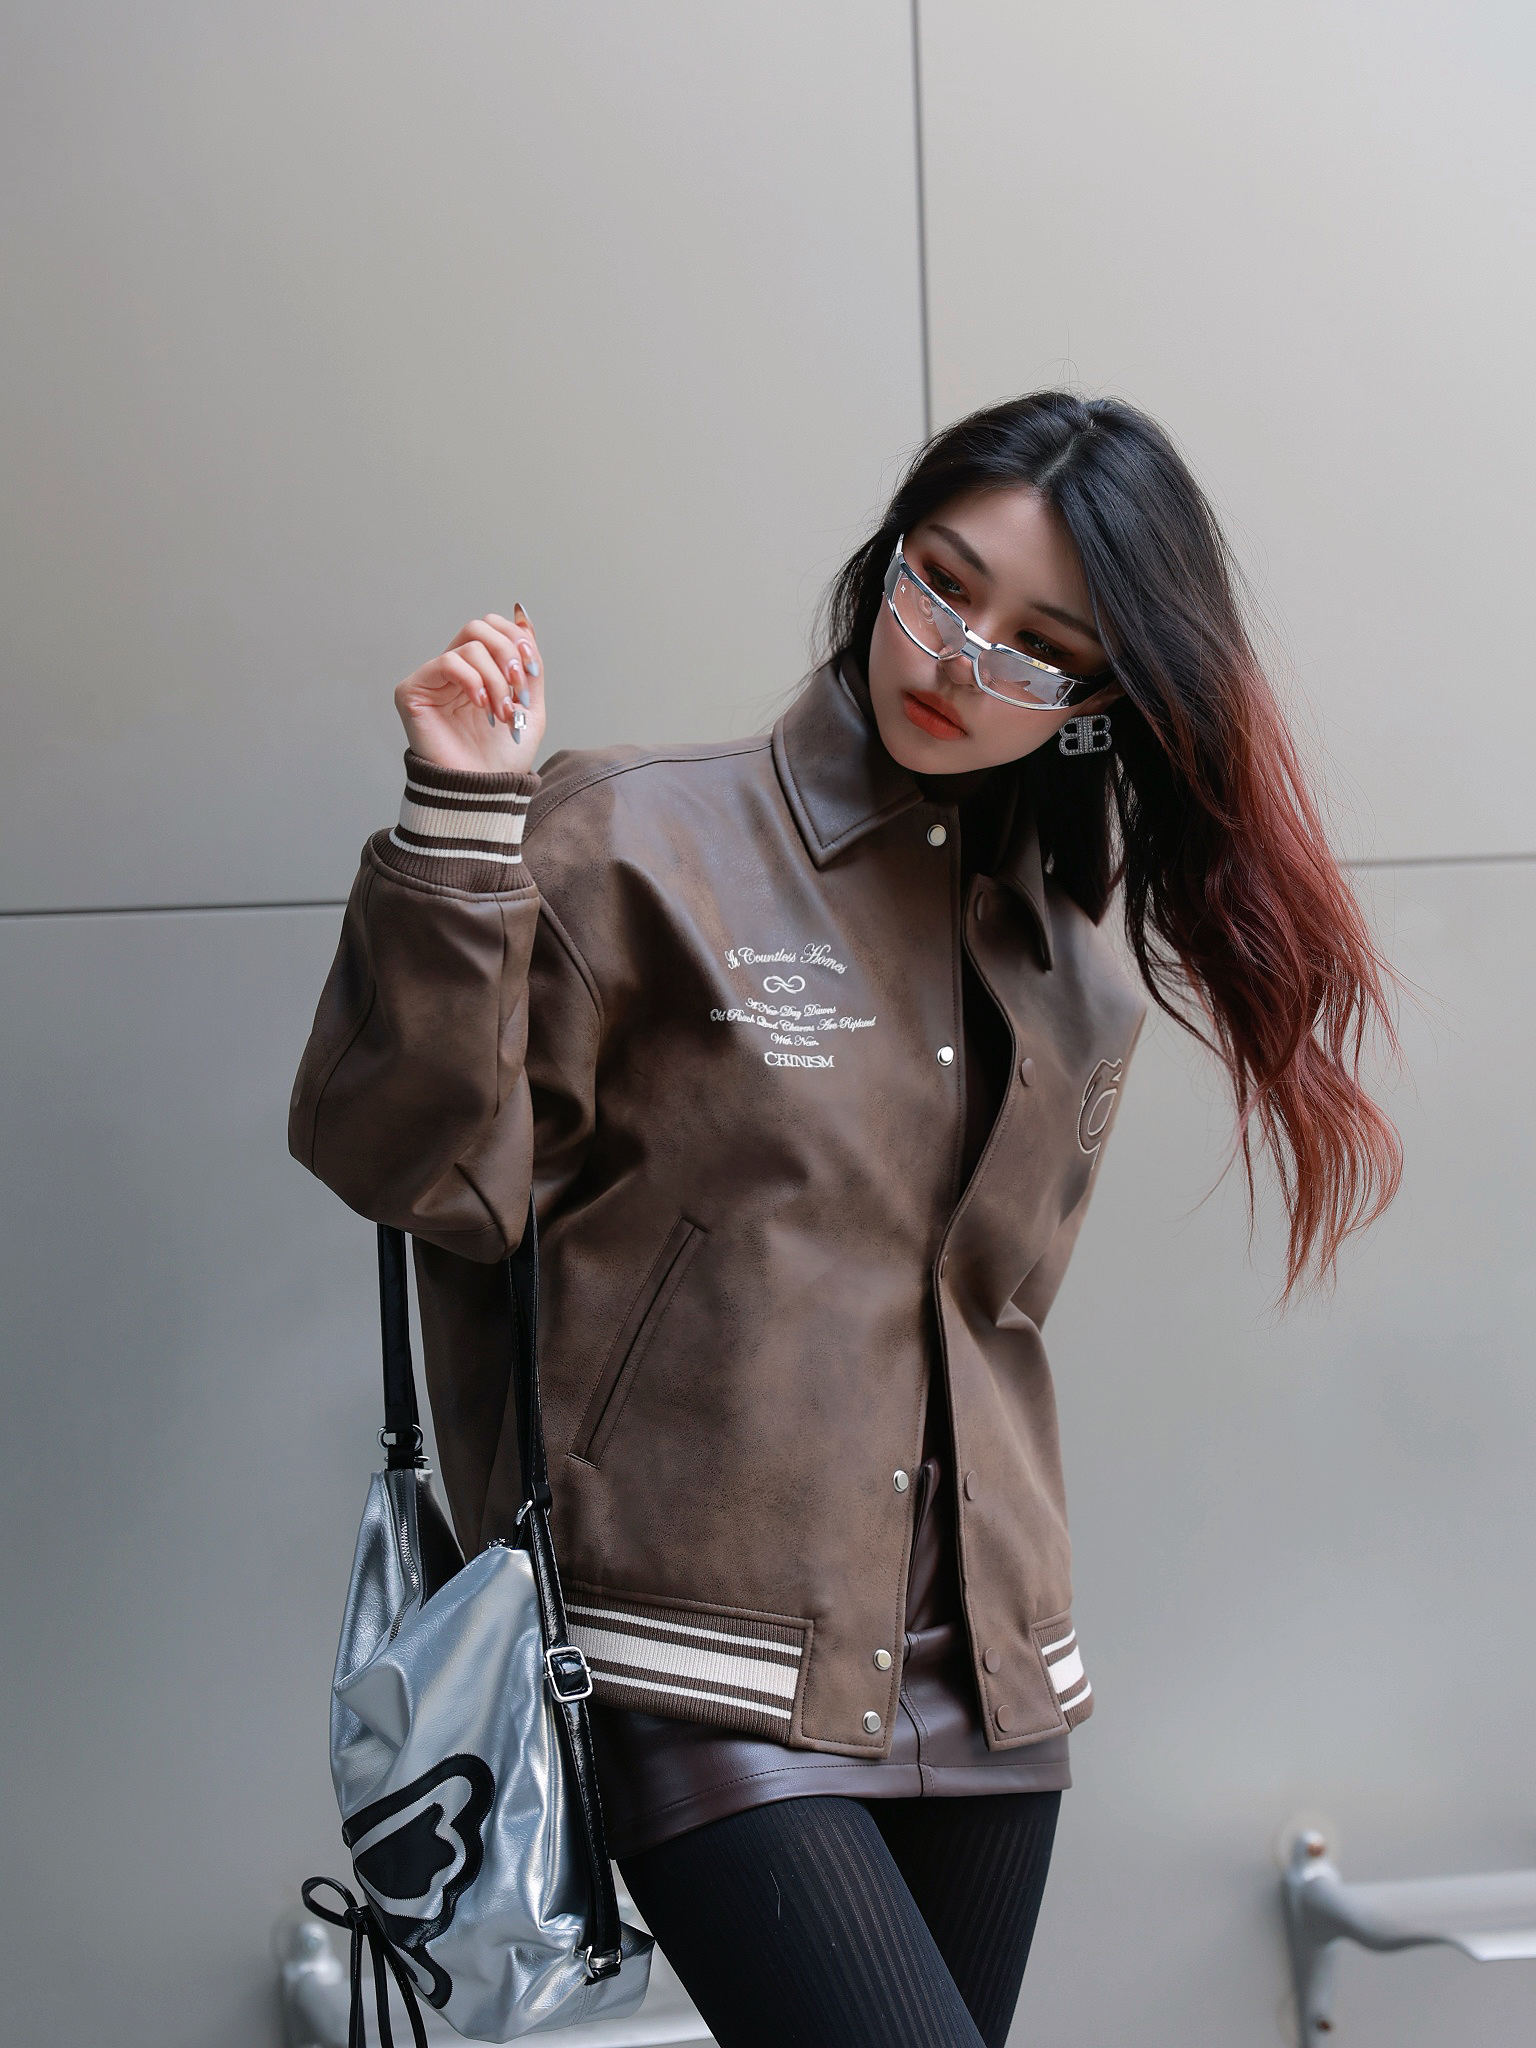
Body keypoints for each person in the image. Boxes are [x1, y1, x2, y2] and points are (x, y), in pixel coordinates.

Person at [290, 392, 1400, 2047]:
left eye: (1044, 650)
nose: (961, 658)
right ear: (887, 559)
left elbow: (987, 1311)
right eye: (942, 583)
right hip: (698, 1641)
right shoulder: (634, 834)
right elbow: (417, 1171)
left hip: (994, 1675)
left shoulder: (1074, 970)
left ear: (1104, 703)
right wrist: (460, 826)